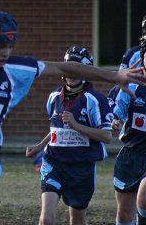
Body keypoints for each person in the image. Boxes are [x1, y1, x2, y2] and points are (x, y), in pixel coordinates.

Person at [0, 10, 144, 225]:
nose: (6, 52)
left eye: (10, 46)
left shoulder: (15, 69)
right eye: (0, 46)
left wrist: (113, 77)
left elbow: (65, 68)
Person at [26, 46, 113, 225]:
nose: (72, 73)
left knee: (77, 220)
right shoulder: (54, 97)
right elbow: (56, 129)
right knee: (46, 219)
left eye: (77, 68)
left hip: (81, 167)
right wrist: (40, 146)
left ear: (86, 71)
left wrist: (76, 125)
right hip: (54, 162)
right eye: (68, 67)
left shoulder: (95, 100)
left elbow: (106, 136)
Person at [107, 12, 146, 225]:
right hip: (131, 154)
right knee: (124, 213)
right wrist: (114, 120)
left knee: (144, 199)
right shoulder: (131, 84)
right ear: (142, 57)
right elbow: (115, 110)